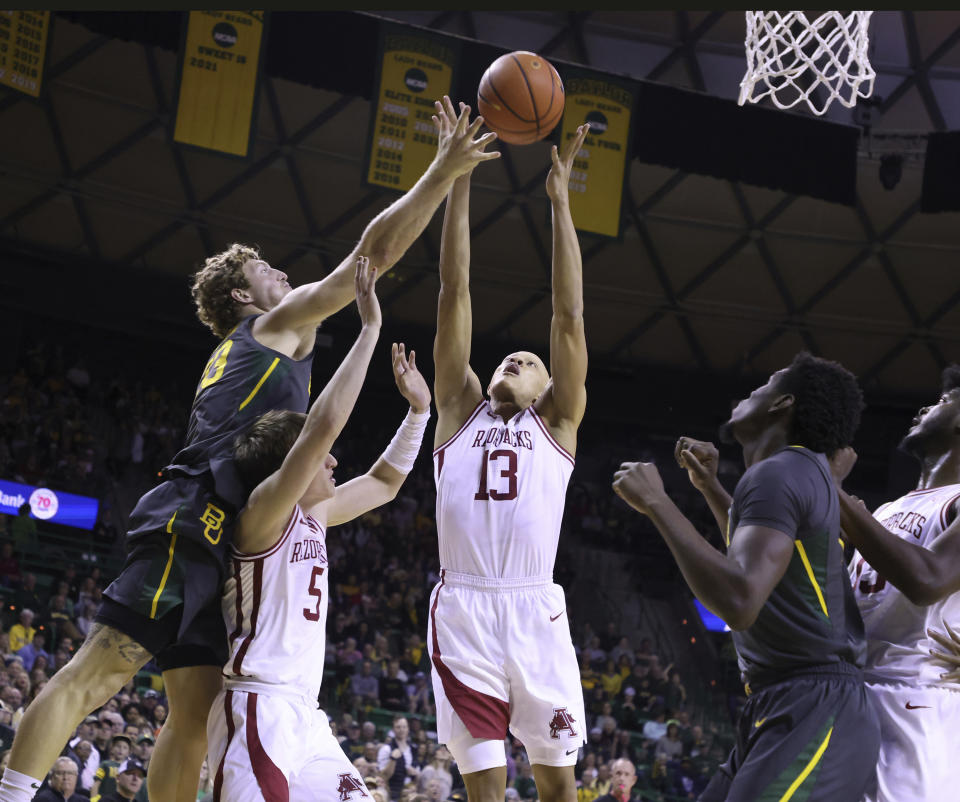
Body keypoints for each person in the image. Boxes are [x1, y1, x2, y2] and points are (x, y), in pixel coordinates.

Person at [0, 101, 497, 802]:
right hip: (195, 513)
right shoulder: (272, 328)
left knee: (195, 712)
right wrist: (441, 171)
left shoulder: (258, 357)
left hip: (227, 531)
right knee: (100, 671)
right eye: (267, 269)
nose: (282, 275)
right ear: (243, 294)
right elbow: (370, 261)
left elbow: (375, 478)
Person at [207, 258, 432, 800]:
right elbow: (325, 425)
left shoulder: (315, 515)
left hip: (306, 717)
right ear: (295, 464)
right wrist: (370, 329)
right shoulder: (263, 516)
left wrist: (419, 413)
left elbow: (383, 483)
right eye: (322, 458)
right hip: (256, 705)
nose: (333, 463)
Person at [612, 352, 879, 801]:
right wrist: (712, 491)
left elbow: (739, 599)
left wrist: (658, 503)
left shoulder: (780, 473)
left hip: (814, 707)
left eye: (764, 386)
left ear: (782, 404)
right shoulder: (792, 472)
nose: (749, 392)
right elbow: (766, 564)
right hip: (787, 702)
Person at [427, 97, 591, 802]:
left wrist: (560, 201)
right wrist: (458, 176)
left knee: (557, 786)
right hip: (463, 609)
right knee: (485, 792)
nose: (515, 360)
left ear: (552, 387)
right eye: (509, 358)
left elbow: (567, 314)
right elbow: (454, 288)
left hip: (534, 612)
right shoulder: (458, 408)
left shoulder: (556, 424)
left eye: (530, 361)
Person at [834, 364, 960, 801]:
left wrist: (833, 493)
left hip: (919, 700)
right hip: (851, 690)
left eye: (944, 401)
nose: (926, 406)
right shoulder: (886, 511)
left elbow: (928, 579)